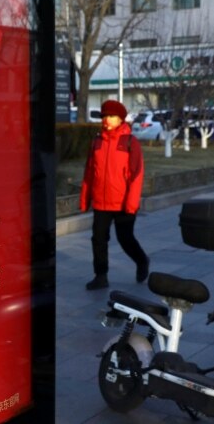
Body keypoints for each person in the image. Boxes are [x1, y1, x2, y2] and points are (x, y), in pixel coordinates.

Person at [79, 99, 149, 290]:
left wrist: (132, 204)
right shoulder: (96, 142)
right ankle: (101, 276)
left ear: (121, 119)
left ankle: (142, 260)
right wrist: (85, 199)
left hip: (124, 203)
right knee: (98, 239)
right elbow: (89, 172)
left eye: (111, 116)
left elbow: (137, 175)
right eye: (104, 116)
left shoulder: (130, 142)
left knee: (125, 239)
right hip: (101, 202)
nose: (107, 120)